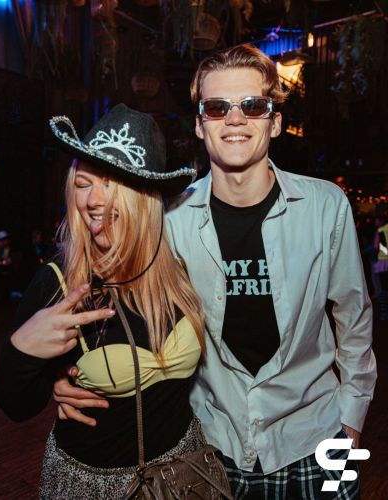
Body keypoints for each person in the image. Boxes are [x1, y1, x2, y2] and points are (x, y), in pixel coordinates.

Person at [52, 45, 376, 499]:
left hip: (319, 437)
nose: (235, 118)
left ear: (275, 122)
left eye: (253, 105)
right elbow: (118, 306)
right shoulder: (170, 220)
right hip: (211, 446)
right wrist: (60, 375)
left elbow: (353, 320)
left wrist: (351, 423)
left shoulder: (325, 206)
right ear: (201, 124)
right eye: (218, 107)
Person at [0, 104, 207, 498]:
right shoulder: (57, 282)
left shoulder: (177, 269)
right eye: (83, 183)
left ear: (144, 198)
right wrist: (23, 351)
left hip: (184, 469)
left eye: (111, 184)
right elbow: (16, 406)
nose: (93, 200)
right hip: (93, 485)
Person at [373, 215, 388, 320]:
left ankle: (384, 313)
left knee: (384, 288)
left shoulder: (380, 231)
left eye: (377, 219)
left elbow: (376, 246)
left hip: (384, 262)